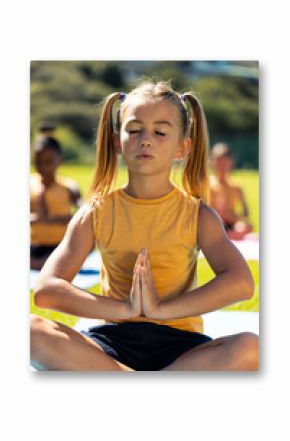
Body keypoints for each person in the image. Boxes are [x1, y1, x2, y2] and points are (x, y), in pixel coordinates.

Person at [30, 81, 259, 371]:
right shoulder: (96, 213)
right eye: (134, 130)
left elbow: (241, 283)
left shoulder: (198, 215)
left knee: (250, 346)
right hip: (112, 342)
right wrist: (126, 309)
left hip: (181, 347)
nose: (145, 140)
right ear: (117, 141)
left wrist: (160, 310)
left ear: (182, 147)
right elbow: (46, 289)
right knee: (29, 332)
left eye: (160, 132)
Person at [30, 135, 82, 270]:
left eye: (48, 161)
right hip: (35, 245)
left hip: (60, 244)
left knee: (58, 259)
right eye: (38, 161)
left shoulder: (69, 187)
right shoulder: (30, 184)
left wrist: (53, 219)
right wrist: (39, 219)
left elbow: (83, 212)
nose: (43, 166)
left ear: (60, 161)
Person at [209, 143, 253, 240]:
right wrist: (218, 213)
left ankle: (224, 237)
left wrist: (232, 216)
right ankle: (224, 237)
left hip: (231, 225)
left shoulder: (236, 187)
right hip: (214, 224)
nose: (222, 166)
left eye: (225, 162)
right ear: (212, 162)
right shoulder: (208, 185)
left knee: (246, 227)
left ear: (231, 162)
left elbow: (246, 214)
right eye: (219, 162)